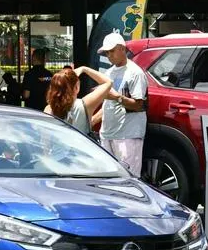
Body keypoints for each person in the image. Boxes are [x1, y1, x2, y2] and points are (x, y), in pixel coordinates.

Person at [91, 31, 148, 176]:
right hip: (107, 134)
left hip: (127, 134)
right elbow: (107, 104)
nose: (108, 55)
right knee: (109, 179)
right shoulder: (108, 73)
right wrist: (91, 121)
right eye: (106, 53)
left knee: (129, 178)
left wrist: (117, 98)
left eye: (111, 51)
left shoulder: (135, 73)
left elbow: (139, 105)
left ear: (122, 49)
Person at [44, 66, 111, 135]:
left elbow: (45, 137)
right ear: (77, 87)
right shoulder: (85, 105)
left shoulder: (49, 109)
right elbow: (108, 82)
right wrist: (84, 69)